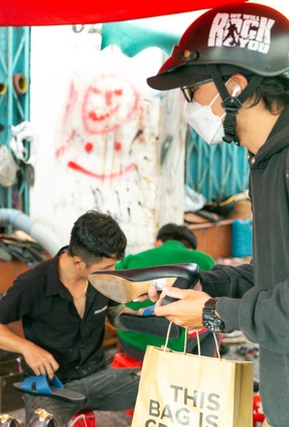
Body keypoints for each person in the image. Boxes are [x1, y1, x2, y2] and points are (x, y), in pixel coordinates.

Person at [145, 4, 289, 426]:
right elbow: (272, 280)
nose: (188, 103)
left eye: (193, 89)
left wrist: (214, 312)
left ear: (237, 86)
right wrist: (199, 282)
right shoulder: (262, 163)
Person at [0, 211, 140, 426]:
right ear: (79, 262)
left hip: (98, 378)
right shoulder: (33, 283)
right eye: (107, 267)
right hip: (51, 386)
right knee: (43, 423)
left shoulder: (103, 279)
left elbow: (115, 313)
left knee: (160, 386)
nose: (113, 272)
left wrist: (142, 317)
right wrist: (27, 348)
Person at [115, 223, 215, 359]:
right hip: (177, 349)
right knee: (213, 322)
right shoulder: (204, 260)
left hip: (133, 344)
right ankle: (201, 369)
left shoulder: (130, 260)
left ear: (157, 242)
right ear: (190, 248)